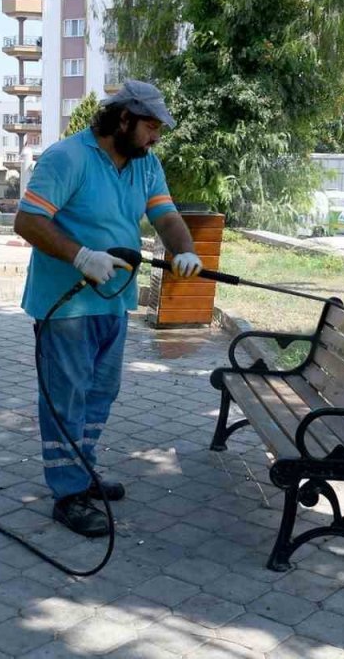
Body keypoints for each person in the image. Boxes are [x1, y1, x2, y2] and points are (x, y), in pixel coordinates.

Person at [13, 80, 202, 538]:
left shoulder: (145, 164)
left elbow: (167, 217)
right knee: (66, 398)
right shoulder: (67, 158)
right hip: (66, 307)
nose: (157, 136)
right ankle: (68, 494)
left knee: (100, 394)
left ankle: (83, 469)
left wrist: (186, 251)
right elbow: (28, 221)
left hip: (113, 303)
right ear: (123, 119)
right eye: (151, 126)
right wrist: (81, 256)